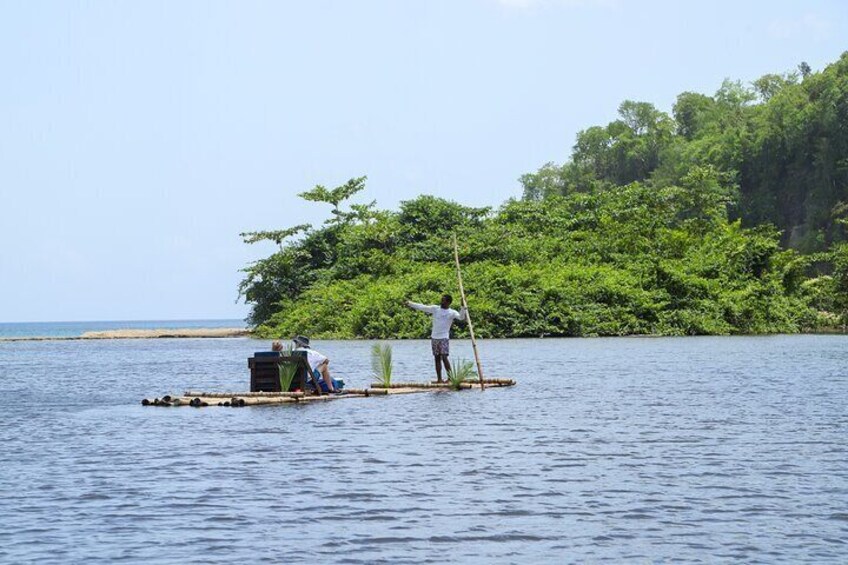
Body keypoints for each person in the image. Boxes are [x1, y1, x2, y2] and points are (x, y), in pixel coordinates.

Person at [406, 294, 467, 382]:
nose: (441, 301)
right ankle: (439, 379)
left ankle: (450, 378)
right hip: (434, 337)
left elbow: (461, 317)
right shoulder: (435, 309)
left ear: (448, 302)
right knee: (437, 358)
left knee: (444, 357)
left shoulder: (451, 312)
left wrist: (462, 306)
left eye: (443, 300)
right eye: (441, 299)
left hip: (444, 337)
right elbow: (423, 307)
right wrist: (410, 303)